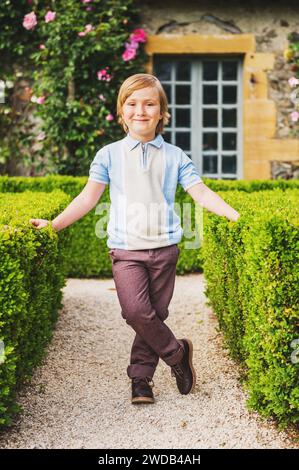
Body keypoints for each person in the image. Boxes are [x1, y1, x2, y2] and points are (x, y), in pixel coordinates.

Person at [30, 73, 240, 405]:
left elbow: (200, 193)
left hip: (165, 249)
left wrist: (237, 216)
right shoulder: (109, 155)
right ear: (121, 111)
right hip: (126, 249)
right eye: (132, 103)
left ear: (162, 113)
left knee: (154, 315)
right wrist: (53, 225)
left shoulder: (175, 156)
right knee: (135, 312)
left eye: (149, 104)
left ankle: (140, 379)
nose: (140, 110)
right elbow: (88, 199)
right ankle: (177, 353)